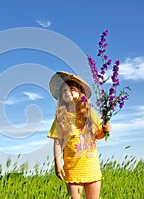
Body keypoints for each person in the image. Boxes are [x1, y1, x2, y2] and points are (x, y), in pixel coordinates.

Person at [47, 71, 112, 199]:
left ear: (80, 93)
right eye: (64, 91)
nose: (67, 92)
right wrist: (58, 164)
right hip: (73, 168)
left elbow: (97, 135)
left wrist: (104, 130)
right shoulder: (61, 118)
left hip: (91, 166)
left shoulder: (89, 113)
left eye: (71, 89)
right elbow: (58, 142)